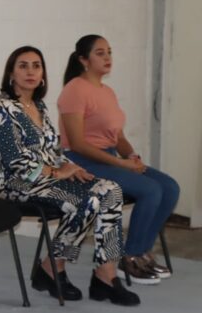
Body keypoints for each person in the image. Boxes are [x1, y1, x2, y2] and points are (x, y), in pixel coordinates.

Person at [0, 46, 139, 306]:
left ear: (43, 73)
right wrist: (56, 172)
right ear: (11, 73)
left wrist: (73, 168)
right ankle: (52, 268)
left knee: (110, 189)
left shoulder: (39, 106)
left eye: (36, 65)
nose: (30, 72)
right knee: (86, 201)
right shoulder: (2, 108)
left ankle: (106, 274)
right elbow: (14, 161)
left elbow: (55, 151)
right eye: (23, 66)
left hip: (49, 178)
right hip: (18, 182)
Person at [58, 34, 179, 285]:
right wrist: (122, 165)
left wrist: (131, 157)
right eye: (100, 53)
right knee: (150, 190)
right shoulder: (74, 90)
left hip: (110, 158)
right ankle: (128, 258)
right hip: (83, 162)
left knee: (169, 187)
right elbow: (78, 143)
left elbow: (118, 136)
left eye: (109, 52)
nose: (108, 58)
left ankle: (140, 250)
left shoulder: (108, 92)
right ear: (83, 60)